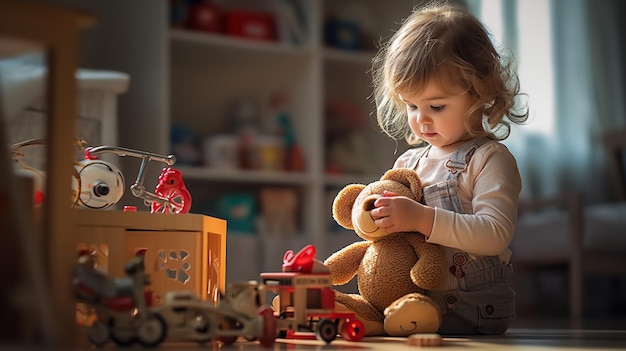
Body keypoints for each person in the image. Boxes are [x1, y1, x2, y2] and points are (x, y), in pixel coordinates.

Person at [369, 1, 529, 335]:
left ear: (479, 92)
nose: (420, 119)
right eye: (411, 105)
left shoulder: (489, 159)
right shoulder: (407, 165)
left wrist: (421, 218)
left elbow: (495, 234)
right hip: (415, 305)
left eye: (437, 106)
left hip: (473, 311)